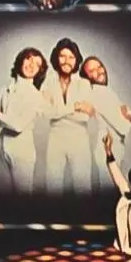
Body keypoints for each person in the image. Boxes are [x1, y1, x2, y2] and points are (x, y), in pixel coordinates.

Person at [41, 37, 95, 195]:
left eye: (71, 57)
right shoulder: (48, 83)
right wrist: (75, 106)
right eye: (62, 56)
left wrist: (57, 111)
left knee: (83, 188)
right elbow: (46, 114)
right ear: (56, 58)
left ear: (76, 60)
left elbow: (84, 117)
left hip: (79, 139)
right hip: (55, 139)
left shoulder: (84, 84)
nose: (66, 61)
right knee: (53, 187)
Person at [0, 47, 46, 194]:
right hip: (2, 146)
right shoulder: (5, 89)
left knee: (23, 197)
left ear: (39, 72)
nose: (32, 65)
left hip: (22, 150)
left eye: (37, 64)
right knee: (2, 194)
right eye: (29, 59)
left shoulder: (36, 96)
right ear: (21, 60)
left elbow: (18, 125)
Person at [81, 55, 131, 194]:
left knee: (116, 194)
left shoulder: (107, 91)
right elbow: (123, 127)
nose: (99, 71)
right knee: (112, 194)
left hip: (114, 149)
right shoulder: (98, 94)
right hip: (107, 150)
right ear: (87, 77)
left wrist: (128, 116)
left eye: (99, 66)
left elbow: (130, 113)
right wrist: (128, 118)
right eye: (92, 70)